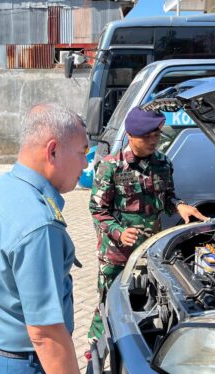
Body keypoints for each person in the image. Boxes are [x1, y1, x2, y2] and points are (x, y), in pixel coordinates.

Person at [0, 103, 87, 373]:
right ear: (52, 150)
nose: (86, 163)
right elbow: (46, 334)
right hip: (25, 363)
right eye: (82, 152)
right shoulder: (39, 224)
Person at [87, 107, 208, 345]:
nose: (154, 140)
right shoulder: (111, 167)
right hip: (117, 254)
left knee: (149, 299)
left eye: (157, 134)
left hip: (151, 250)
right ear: (131, 136)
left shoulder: (163, 163)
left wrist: (179, 206)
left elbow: (168, 198)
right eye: (147, 136)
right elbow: (97, 210)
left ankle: (140, 345)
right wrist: (120, 232)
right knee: (108, 302)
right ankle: (96, 348)